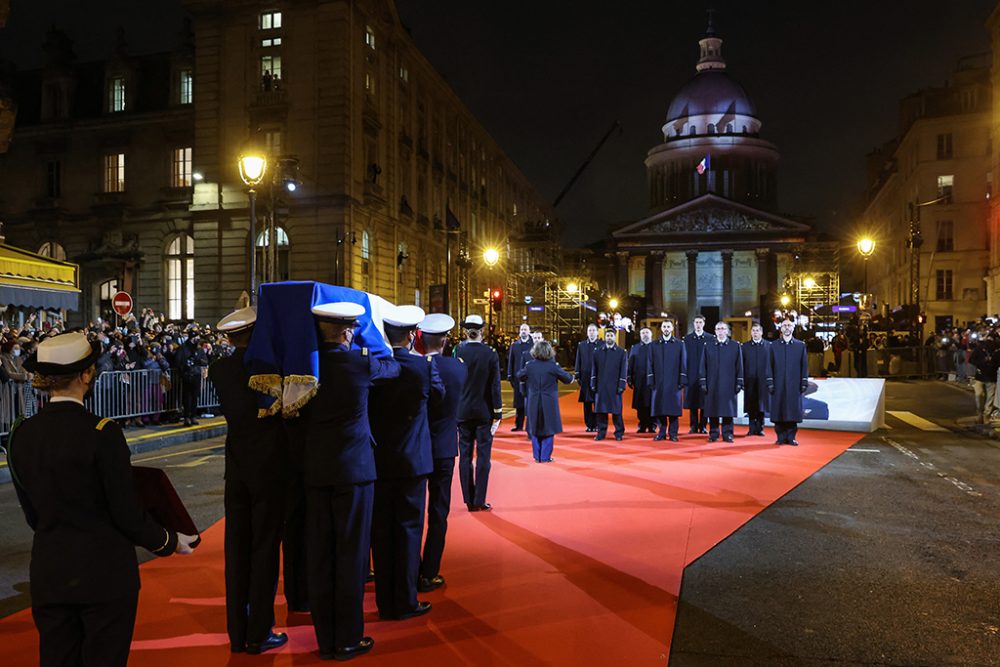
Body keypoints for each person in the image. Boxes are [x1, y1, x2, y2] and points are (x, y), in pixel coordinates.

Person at [7, 332, 196, 667]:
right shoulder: (102, 432)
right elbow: (126, 513)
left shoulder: (21, 434)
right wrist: (168, 541)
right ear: (86, 375)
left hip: (50, 571)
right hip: (103, 574)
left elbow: (33, 514)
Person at [301, 301, 399, 661]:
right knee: (352, 557)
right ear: (347, 331)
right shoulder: (358, 365)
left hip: (316, 471)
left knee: (321, 556)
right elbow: (391, 368)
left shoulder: (304, 370)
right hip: (355, 472)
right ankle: (348, 637)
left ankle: (325, 638)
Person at [209, 307, 288, 654]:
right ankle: (260, 630)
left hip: (237, 467)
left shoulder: (220, 368)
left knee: (236, 551)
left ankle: (237, 632)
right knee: (264, 549)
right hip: (269, 467)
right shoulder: (269, 369)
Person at [369, 305, 444, 622]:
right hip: (413, 460)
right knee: (409, 531)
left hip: (379, 461)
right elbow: (439, 400)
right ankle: (405, 599)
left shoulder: (374, 368)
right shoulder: (423, 369)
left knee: (381, 532)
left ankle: (385, 601)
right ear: (414, 335)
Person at [417, 313, 467, 593]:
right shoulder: (458, 368)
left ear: (422, 338)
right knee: (438, 511)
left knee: (412, 513)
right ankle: (429, 572)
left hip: (417, 447)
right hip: (445, 448)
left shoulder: (416, 367)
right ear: (446, 339)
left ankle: (411, 569)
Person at [454, 314, 503, 512]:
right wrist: (498, 413)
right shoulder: (490, 353)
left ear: (466, 331)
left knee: (464, 456)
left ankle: (468, 499)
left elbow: (454, 381)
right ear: (482, 331)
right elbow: (495, 387)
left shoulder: (458, 350)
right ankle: (479, 499)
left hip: (462, 411)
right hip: (483, 413)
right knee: (484, 457)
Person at [517, 339, 574, 462]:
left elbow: (519, 375)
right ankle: (545, 456)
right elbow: (568, 379)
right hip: (549, 401)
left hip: (533, 399)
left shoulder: (530, 365)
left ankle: (537, 456)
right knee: (549, 428)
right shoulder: (553, 366)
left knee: (535, 427)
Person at [699, 322, 744, 443]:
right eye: (718, 329)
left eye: (723, 328)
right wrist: (703, 381)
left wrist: (739, 381)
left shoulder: (735, 346)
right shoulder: (708, 346)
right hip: (712, 383)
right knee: (712, 409)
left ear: (727, 331)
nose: (720, 331)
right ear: (715, 331)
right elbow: (703, 365)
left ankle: (727, 434)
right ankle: (713, 433)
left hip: (729, 384)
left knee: (727, 410)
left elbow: (739, 365)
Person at [767, 317, 809, 446]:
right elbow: (769, 365)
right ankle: (780, 436)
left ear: (793, 328)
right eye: (784, 325)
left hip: (794, 385)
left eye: (789, 325)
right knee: (778, 411)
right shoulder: (773, 346)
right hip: (778, 385)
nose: (787, 328)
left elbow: (804, 365)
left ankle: (791, 437)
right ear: (780, 328)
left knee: (793, 411)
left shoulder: (800, 346)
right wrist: (770, 382)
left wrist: (803, 382)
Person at [648, 320, 687, 442]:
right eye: (664, 326)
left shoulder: (679, 344)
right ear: (661, 329)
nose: (666, 329)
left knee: (673, 409)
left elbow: (683, 362)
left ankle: (673, 433)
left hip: (674, 382)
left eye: (668, 326)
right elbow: (649, 363)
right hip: (658, 382)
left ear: (672, 328)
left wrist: (682, 379)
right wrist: (650, 379)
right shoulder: (653, 345)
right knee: (659, 408)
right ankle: (662, 432)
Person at [591, 329, 628, 441]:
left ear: (614, 337)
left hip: (615, 386)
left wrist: (622, 384)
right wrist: (593, 383)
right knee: (601, 411)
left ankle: (619, 433)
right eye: (607, 335)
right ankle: (601, 433)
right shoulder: (597, 352)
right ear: (605, 337)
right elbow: (594, 369)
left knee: (617, 411)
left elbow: (624, 370)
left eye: (611, 335)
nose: (609, 337)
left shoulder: (621, 352)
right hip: (601, 387)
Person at [742, 322, 771, 437]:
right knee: (751, 405)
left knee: (761, 406)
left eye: (757, 331)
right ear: (751, 332)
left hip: (763, 382)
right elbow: (742, 365)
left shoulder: (769, 346)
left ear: (762, 332)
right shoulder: (745, 347)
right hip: (749, 381)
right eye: (753, 331)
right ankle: (751, 428)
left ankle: (760, 428)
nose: (755, 333)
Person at [683, 315, 710, 433]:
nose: (698, 325)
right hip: (691, 374)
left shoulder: (710, 338)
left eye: (700, 322)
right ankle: (693, 426)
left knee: (705, 402)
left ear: (704, 324)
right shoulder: (687, 339)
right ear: (693, 324)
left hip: (706, 375)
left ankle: (703, 425)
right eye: (696, 322)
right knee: (692, 401)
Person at [628, 327, 655, 433]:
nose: (645, 335)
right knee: (640, 404)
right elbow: (630, 363)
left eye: (647, 332)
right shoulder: (635, 348)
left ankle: (652, 424)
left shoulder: (655, 347)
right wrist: (629, 377)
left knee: (652, 403)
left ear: (651, 334)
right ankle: (642, 424)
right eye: (643, 333)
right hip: (639, 380)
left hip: (652, 381)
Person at [574, 324, 601, 432]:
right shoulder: (582, 345)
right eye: (590, 330)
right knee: (587, 402)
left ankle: (598, 424)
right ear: (587, 332)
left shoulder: (602, 344)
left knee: (598, 402)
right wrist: (577, 374)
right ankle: (589, 424)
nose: (592, 332)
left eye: (594, 330)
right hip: (585, 378)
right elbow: (578, 360)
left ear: (597, 332)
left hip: (599, 379)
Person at [507, 323, 532, 432]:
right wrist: (510, 375)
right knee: (519, 402)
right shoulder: (514, 345)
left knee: (531, 402)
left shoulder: (533, 345)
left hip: (530, 378)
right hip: (518, 378)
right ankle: (519, 424)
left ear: (529, 331)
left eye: (525, 329)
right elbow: (510, 361)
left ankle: (530, 425)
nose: (523, 331)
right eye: (522, 329)